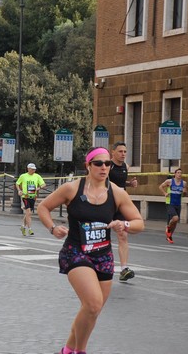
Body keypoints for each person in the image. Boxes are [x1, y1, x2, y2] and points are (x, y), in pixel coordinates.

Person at [37, 147, 144, 354]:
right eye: (98, 163)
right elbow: (43, 207)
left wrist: (125, 226)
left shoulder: (117, 192)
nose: (104, 167)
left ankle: (67, 350)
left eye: (107, 164)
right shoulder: (72, 189)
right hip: (76, 252)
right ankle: (81, 351)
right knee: (93, 304)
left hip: (103, 255)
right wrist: (52, 228)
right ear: (88, 165)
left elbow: (139, 222)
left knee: (92, 310)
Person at [109, 142, 139, 281]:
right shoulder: (107, 165)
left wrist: (130, 184)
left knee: (123, 235)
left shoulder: (126, 167)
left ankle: (124, 269)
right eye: (120, 151)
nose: (123, 154)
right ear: (113, 152)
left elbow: (121, 183)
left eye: (125, 151)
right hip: (106, 203)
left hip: (120, 204)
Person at [16, 163, 46, 236]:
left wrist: (39, 187)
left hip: (33, 197)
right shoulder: (23, 176)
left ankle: (23, 226)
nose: (34, 170)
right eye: (32, 169)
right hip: (25, 196)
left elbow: (44, 184)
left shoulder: (37, 176)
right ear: (28, 169)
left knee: (28, 213)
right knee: (29, 213)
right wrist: (19, 190)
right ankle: (29, 229)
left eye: (34, 169)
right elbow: (17, 183)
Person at [159, 168, 186, 244]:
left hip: (178, 204)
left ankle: (169, 236)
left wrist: (184, 192)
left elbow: (184, 194)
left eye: (181, 173)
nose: (179, 174)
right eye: (178, 172)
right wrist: (165, 193)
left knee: (175, 221)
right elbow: (160, 186)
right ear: (175, 174)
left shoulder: (184, 183)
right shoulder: (170, 181)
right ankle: (168, 227)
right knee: (175, 218)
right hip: (170, 203)